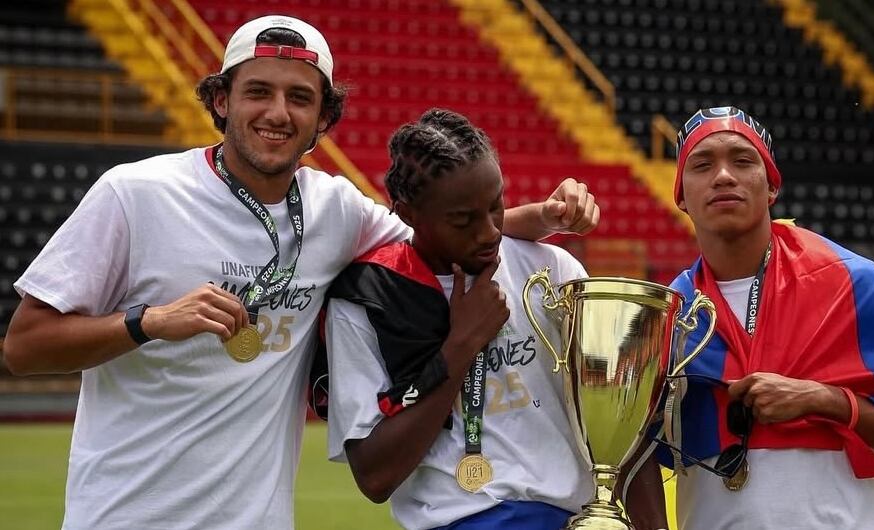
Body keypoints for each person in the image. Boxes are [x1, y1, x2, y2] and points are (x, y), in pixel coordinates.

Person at [2, 16, 600, 530]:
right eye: (258, 91)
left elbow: (444, 229)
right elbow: (24, 347)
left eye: (300, 97)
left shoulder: (335, 210)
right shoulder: (136, 195)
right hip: (121, 515)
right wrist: (150, 322)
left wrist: (543, 215)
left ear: (323, 118)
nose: (277, 113)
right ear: (220, 100)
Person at [324, 108, 658, 529]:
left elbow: (621, 421)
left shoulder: (551, 271)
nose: (488, 233)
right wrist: (461, 345)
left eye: (496, 207)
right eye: (463, 221)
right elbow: (375, 476)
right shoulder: (366, 302)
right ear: (407, 214)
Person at [655, 105, 874, 529]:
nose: (723, 176)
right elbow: (632, 456)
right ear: (680, 195)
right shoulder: (670, 317)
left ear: (771, 186)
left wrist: (827, 400)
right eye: (702, 164)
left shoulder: (849, 283)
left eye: (742, 160)